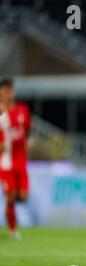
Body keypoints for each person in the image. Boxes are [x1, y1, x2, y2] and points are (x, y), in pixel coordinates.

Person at [0, 78, 32, 240]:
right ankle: (12, 228)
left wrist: (27, 143)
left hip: (21, 160)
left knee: (23, 196)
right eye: (5, 90)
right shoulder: (1, 114)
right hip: (5, 161)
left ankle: (9, 209)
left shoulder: (22, 110)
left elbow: (27, 130)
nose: (8, 93)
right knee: (10, 194)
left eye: (10, 90)